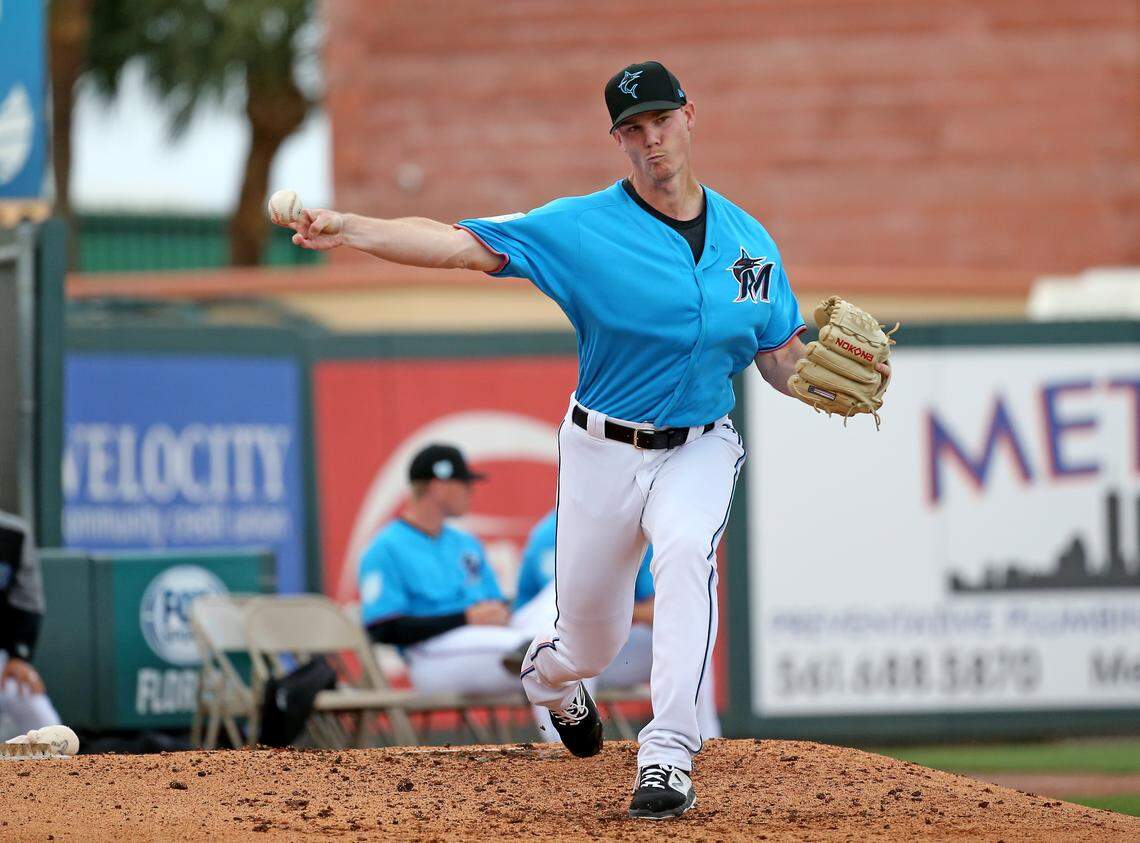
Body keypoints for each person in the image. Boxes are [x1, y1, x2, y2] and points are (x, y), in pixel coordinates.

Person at [278, 60, 891, 819]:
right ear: (618, 140)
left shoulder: (750, 242)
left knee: (684, 557)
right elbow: (460, 242)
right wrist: (353, 229)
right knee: (588, 643)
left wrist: (806, 374)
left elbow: (777, 353)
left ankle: (667, 753)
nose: (651, 139)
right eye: (633, 129)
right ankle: (551, 676)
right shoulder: (582, 228)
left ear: (689, 117)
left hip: (701, 444)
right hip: (603, 449)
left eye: (661, 120)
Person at [510, 509, 721, 742]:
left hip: (608, 648)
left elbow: (664, 610)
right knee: (558, 599)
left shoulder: (632, 529)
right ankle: (563, 744)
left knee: (689, 639)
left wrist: (608, 613)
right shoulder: (546, 533)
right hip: (552, 641)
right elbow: (523, 607)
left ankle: (704, 740)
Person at [358, 444, 529, 697]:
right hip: (429, 657)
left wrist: (500, 610)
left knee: (548, 658)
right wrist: (465, 619)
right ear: (438, 487)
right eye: (464, 483)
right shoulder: (384, 548)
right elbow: (382, 629)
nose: (471, 491)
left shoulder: (466, 543)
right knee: (539, 655)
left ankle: (563, 737)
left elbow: (493, 600)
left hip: (485, 646)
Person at [0, 510, 62, 740]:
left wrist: (19, 656)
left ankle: (50, 776)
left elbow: (29, 602)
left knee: (45, 725)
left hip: (2, 661)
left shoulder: (13, 533)